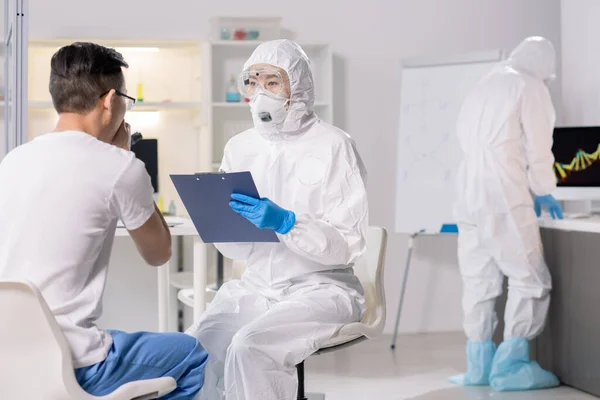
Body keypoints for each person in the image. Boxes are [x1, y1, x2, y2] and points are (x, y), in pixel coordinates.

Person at [0, 42, 208, 399]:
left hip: (10, 357)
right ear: (111, 99)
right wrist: (127, 156)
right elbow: (159, 253)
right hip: (78, 363)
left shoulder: (13, 160)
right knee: (191, 353)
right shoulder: (119, 166)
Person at [186, 39, 369, 400]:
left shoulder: (334, 145)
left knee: (249, 347)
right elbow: (237, 249)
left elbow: (348, 245)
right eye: (253, 82)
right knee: (195, 349)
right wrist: (219, 221)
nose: (260, 93)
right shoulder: (240, 147)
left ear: (297, 85)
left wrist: (289, 223)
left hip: (320, 288)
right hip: (257, 285)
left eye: (272, 82)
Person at [450, 36, 563, 392]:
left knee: (478, 280)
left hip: (467, 193)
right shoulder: (529, 86)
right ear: (544, 65)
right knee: (531, 278)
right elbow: (539, 147)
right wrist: (544, 189)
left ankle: (478, 366)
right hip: (503, 192)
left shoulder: (485, 82)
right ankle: (511, 365)